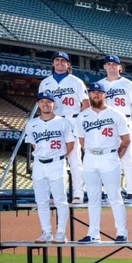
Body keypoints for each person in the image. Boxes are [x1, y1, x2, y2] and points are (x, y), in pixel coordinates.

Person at [75, 82, 130, 243]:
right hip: (90, 157)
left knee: (115, 196)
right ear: (89, 95)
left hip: (109, 156)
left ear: (105, 94)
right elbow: (81, 139)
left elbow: (126, 140)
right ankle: (93, 234)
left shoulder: (115, 114)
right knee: (92, 197)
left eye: (99, 92)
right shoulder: (83, 115)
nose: (96, 95)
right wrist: (91, 153)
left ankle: (122, 232)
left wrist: (115, 156)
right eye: (93, 92)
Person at [38, 51, 88, 202]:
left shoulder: (76, 81)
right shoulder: (45, 83)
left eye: (63, 61)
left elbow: (86, 104)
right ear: (53, 64)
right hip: (54, 122)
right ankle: (58, 194)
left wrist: (81, 122)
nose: (60, 63)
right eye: (57, 60)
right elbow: (42, 104)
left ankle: (78, 193)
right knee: (56, 160)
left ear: (68, 64)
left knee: (75, 158)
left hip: (72, 120)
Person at [25, 90, 73, 243]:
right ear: (38, 104)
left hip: (57, 163)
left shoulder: (63, 122)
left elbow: (70, 144)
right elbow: (34, 145)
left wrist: (59, 157)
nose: (45, 104)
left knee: (60, 200)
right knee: (41, 201)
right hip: (39, 163)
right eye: (42, 101)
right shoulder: (32, 123)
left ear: (54, 104)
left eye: (48, 101)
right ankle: (46, 232)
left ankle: (61, 233)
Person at [98, 54, 132, 201]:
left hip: (125, 120)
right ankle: (107, 192)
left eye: (114, 64)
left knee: (126, 158)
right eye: (108, 64)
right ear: (104, 66)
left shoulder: (129, 84)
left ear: (120, 67)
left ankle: (131, 192)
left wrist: (129, 122)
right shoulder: (99, 84)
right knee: (106, 158)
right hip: (106, 124)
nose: (111, 66)